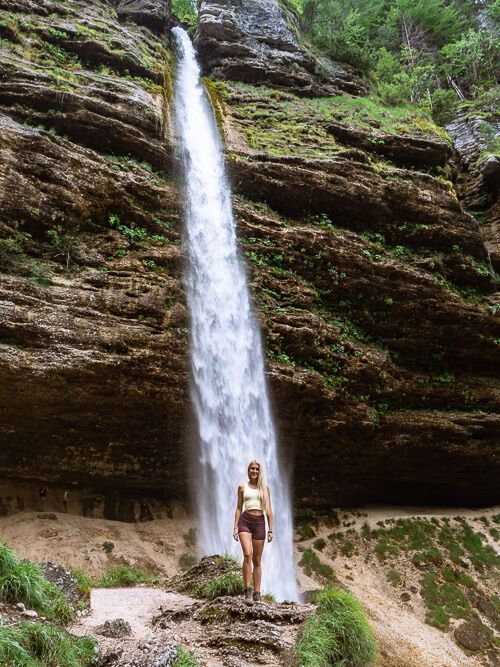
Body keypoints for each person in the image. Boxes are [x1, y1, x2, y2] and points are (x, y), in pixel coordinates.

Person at [233, 459, 273, 604]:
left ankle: (257, 593)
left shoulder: (265, 488)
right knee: (247, 553)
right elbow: (238, 507)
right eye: (252, 469)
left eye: (257, 469)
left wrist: (270, 530)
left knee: (257, 560)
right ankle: (247, 591)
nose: (254, 471)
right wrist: (235, 527)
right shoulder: (242, 487)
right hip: (245, 521)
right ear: (248, 470)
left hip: (260, 523)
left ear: (259, 471)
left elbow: (268, 510)